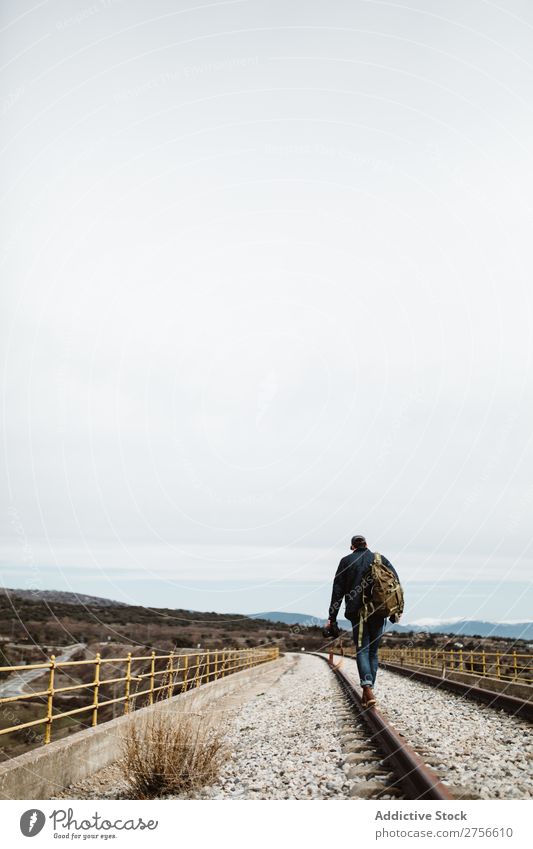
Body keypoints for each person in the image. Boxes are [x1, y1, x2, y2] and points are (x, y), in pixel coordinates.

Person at [325, 534, 400, 707]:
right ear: (367, 544)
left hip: (358, 613)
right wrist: (396, 610)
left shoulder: (346, 561)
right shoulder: (380, 559)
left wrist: (332, 617)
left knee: (362, 649)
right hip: (379, 612)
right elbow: (395, 585)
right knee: (373, 652)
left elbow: (337, 592)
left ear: (352, 547)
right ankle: (369, 689)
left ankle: (367, 687)